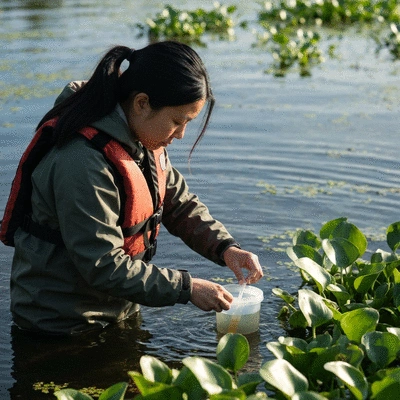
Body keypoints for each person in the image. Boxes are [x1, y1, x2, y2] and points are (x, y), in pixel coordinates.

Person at [0, 41, 263, 335]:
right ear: (141, 103)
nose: (181, 135)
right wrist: (187, 288)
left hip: (118, 310)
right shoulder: (82, 162)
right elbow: (103, 265)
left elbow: (179, 203)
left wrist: (226, 248)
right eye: (177, 121)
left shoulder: (143, 138)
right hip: (61, 327)